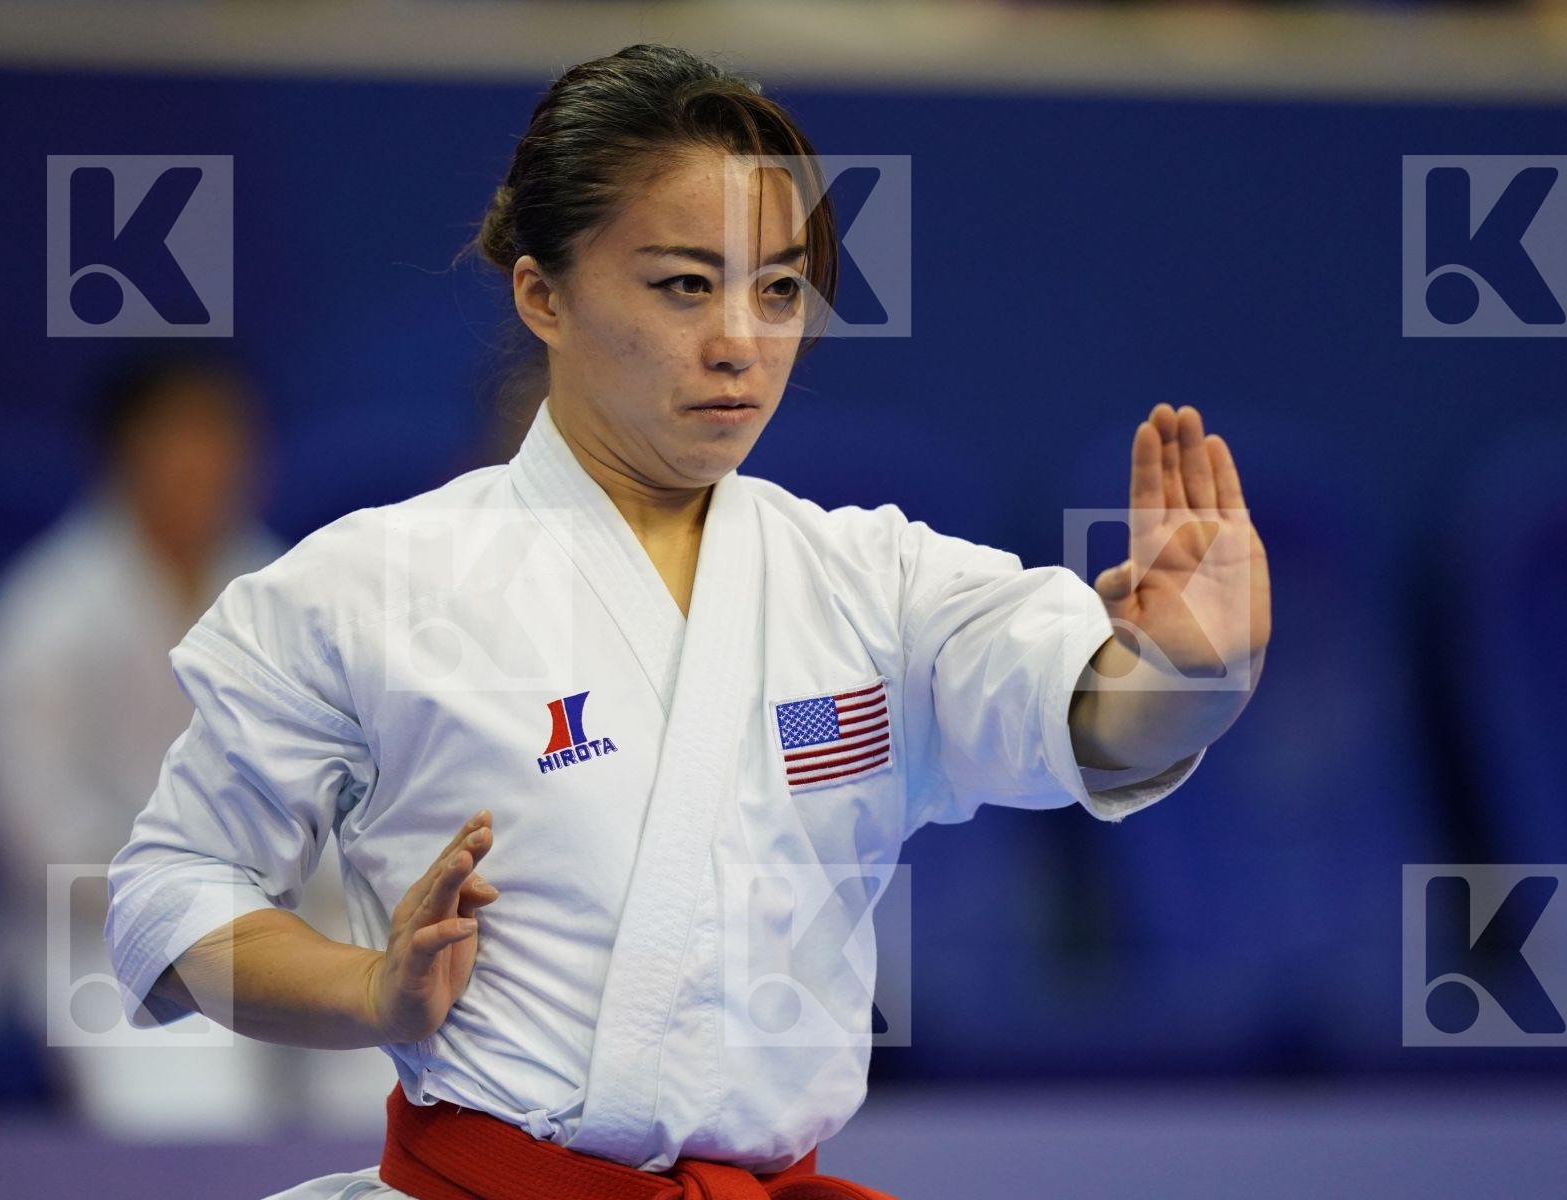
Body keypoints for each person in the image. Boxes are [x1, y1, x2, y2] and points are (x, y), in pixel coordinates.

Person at [104, 43, 1270, 1199]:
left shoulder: (872, 579)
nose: (739, 342)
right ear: (541, 294)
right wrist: (369, 992)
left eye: (776, 290)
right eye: (681, 284)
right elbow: (171, 889)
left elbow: (1095, 715)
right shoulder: (368, 588)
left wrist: (1195, 675)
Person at [0, 346, 391, 1138]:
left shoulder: (288, 594)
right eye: (175, 441)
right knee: (191, 1097)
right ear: (121, 456)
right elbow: (36, 841)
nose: (200, 466)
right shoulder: (30, 633)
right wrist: (198, 893)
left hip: (287, 908)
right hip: (94, 930)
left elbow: (348, 782)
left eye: (220, 441)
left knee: (379, 1066)